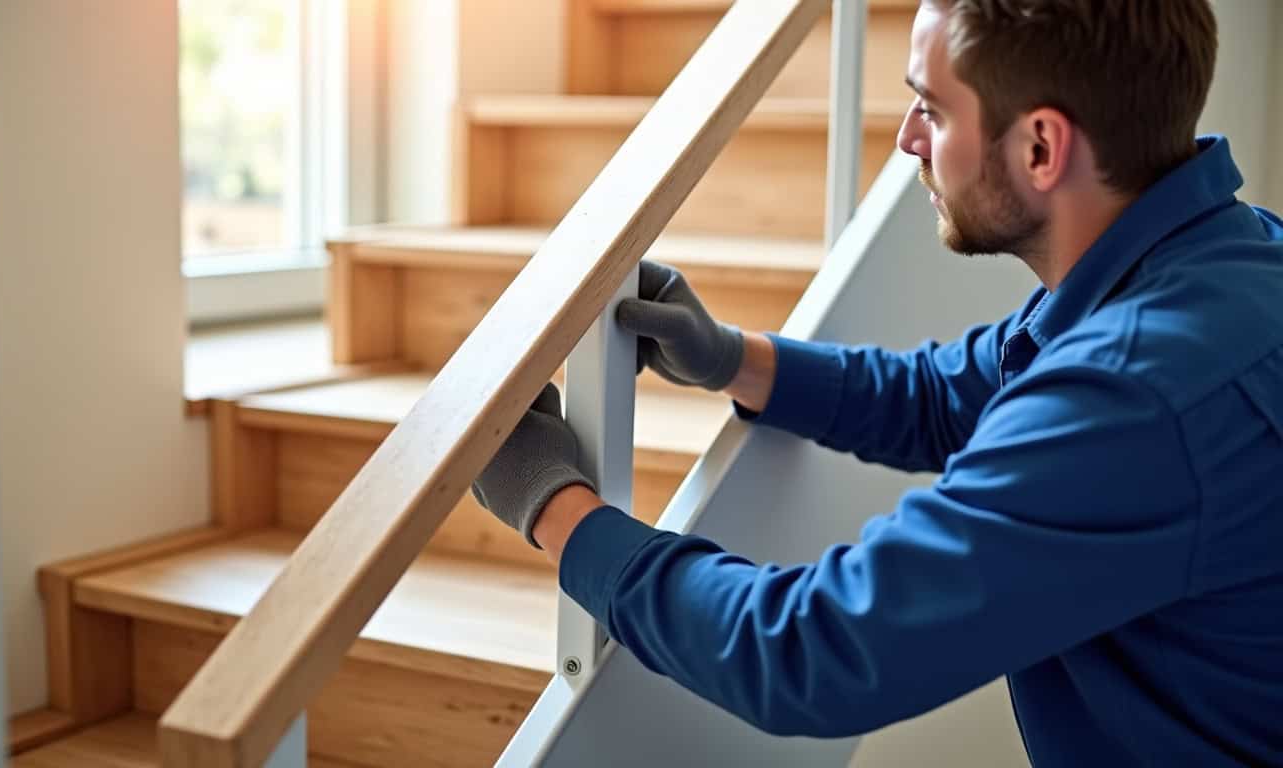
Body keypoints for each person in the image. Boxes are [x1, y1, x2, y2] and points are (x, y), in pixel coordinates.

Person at [471, 1, 1283, 764]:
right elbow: (944, 394)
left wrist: (554, 506)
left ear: (1041, 148)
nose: (905, 140)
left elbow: (813, 652)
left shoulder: (1137, 392)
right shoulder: (1219, 260)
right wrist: (733, 359)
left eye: (931, 108)